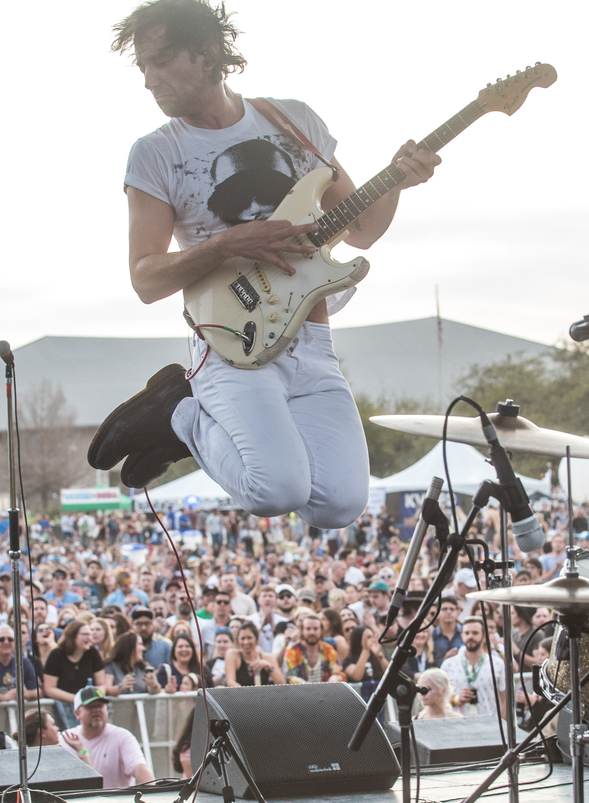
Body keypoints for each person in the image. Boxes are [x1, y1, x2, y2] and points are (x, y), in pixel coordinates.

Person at [88, 0, 440, 516]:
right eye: (142, 66)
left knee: (340, 506)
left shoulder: (294, 121)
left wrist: (398, 183)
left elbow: (362, 230)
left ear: (208, 52)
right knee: (276, 491)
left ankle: (185, 417)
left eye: (160, 61)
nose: (148, 80)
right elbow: (145, 279)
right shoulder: (155, 154)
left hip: (312, 341)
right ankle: (178, 414)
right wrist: (226, 243)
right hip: (230, 342)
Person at [61, 687, 153, 788]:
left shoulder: (122, 737)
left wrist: (154, 791)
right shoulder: (66, 739)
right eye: (90, 707)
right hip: (80, 798)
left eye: (100, 706)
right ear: (77, 713)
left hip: (116, 798)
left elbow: (140, 769)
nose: (96, 710)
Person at [43, 621, 110, 725]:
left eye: (90, 634)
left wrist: (95, 697)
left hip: (88, 706)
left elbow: (101, 683)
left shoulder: (92, 653)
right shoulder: (56, 655)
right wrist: (78, 698)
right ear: (73, 635)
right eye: (85, 634)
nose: (90, 638)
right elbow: (49, 688)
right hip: (63, 708)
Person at [439, 618, 505, 718]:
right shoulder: (448, 664)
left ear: (484, 637)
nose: (470, 636)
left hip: (488, 724)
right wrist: (457, 699)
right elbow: (439, 700)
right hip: (458, 724)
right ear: (462, 636)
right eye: (467, 633)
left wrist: (501, 725)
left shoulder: (497, 664)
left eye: (475, 633)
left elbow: (505, 701)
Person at [0, 625, 42, 701]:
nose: (6, 642)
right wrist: (4, 697)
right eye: (1, 639)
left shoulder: (24, 663)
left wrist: (26, 694)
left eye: (10, 639)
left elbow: (39, 692)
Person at [223, 622, 283, 687]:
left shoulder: (268, 658)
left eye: (249, 638)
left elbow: (282, 684)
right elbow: (230, 682)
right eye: (242, 638)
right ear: (238, 640)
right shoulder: (233, 655)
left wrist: (270, 667)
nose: (246, 642)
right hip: (240, 692)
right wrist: (248, 692)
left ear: (256, 639)